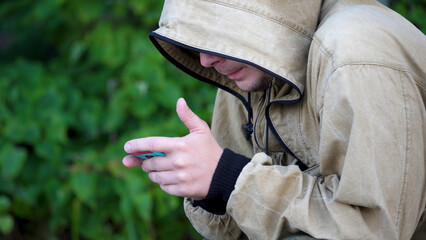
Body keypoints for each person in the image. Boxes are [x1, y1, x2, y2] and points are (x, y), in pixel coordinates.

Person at [122, 0, 426, 239]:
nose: (206, 60)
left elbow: (375, 231)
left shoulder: (355, 58)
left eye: (214, 31)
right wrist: (209, 189)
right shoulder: (248, 69)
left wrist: (228, 179)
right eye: (197, 39)